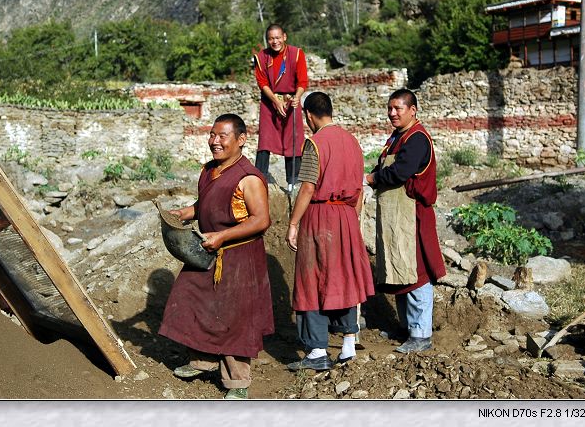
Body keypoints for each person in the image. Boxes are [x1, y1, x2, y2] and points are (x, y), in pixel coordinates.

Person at [158, 113, 273, 400]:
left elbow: (261, 220)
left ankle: (237, 381)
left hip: (238, 255)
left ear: (241, 139)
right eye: (212, 135)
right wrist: (185, 213)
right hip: (205, 250)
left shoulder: (249, 178)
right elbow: (206, 203)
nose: (214, 141)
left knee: (235, 316)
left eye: (222, 136)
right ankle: (202, 360)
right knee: (190, 297)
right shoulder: (210, 170)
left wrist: (222, 236)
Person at [286, 92, 375, 371]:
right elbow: (360, 187)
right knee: (344, 277)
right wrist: (351, 217)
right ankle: (348, 347)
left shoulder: (314, 143)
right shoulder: (353, 142)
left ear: (309, 115)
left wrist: (293, 223)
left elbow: (308, 186)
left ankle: (316, 352)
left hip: (321, 215)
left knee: (311, 279)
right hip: (347, 216)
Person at [365, 89, 446, 354]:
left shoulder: (417, 139)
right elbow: (385, 166)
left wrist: (372, 179)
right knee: (400, 271)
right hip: (396, 217)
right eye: (390, 108)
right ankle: (408, 328)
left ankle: (422, 335)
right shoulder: (397, 138)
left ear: (413, 111)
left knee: (417, 273)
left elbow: (400, 172)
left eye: (398, 108)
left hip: (412, 217)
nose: (392, 113)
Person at [253, 23, 309, 187]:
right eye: (271, 39)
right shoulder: (262, 56)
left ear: (284, 37)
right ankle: (260, 176)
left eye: (277, 37)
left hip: (291, 101)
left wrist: (297, 97)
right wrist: (275, 101)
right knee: (265, 140)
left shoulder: (296, 54)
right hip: (269, 103)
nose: (275, 41)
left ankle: (293, 179)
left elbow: (302, 80)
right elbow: (262, 82)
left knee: (294, 139)